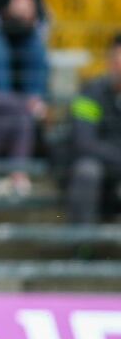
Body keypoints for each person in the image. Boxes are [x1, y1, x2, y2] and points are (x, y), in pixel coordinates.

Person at [66, 33, 121, 224]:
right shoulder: (90, 93)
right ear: (110, 62)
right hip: (98, 164)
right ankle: (83, 246)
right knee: (87, 171)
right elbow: (84, 143)